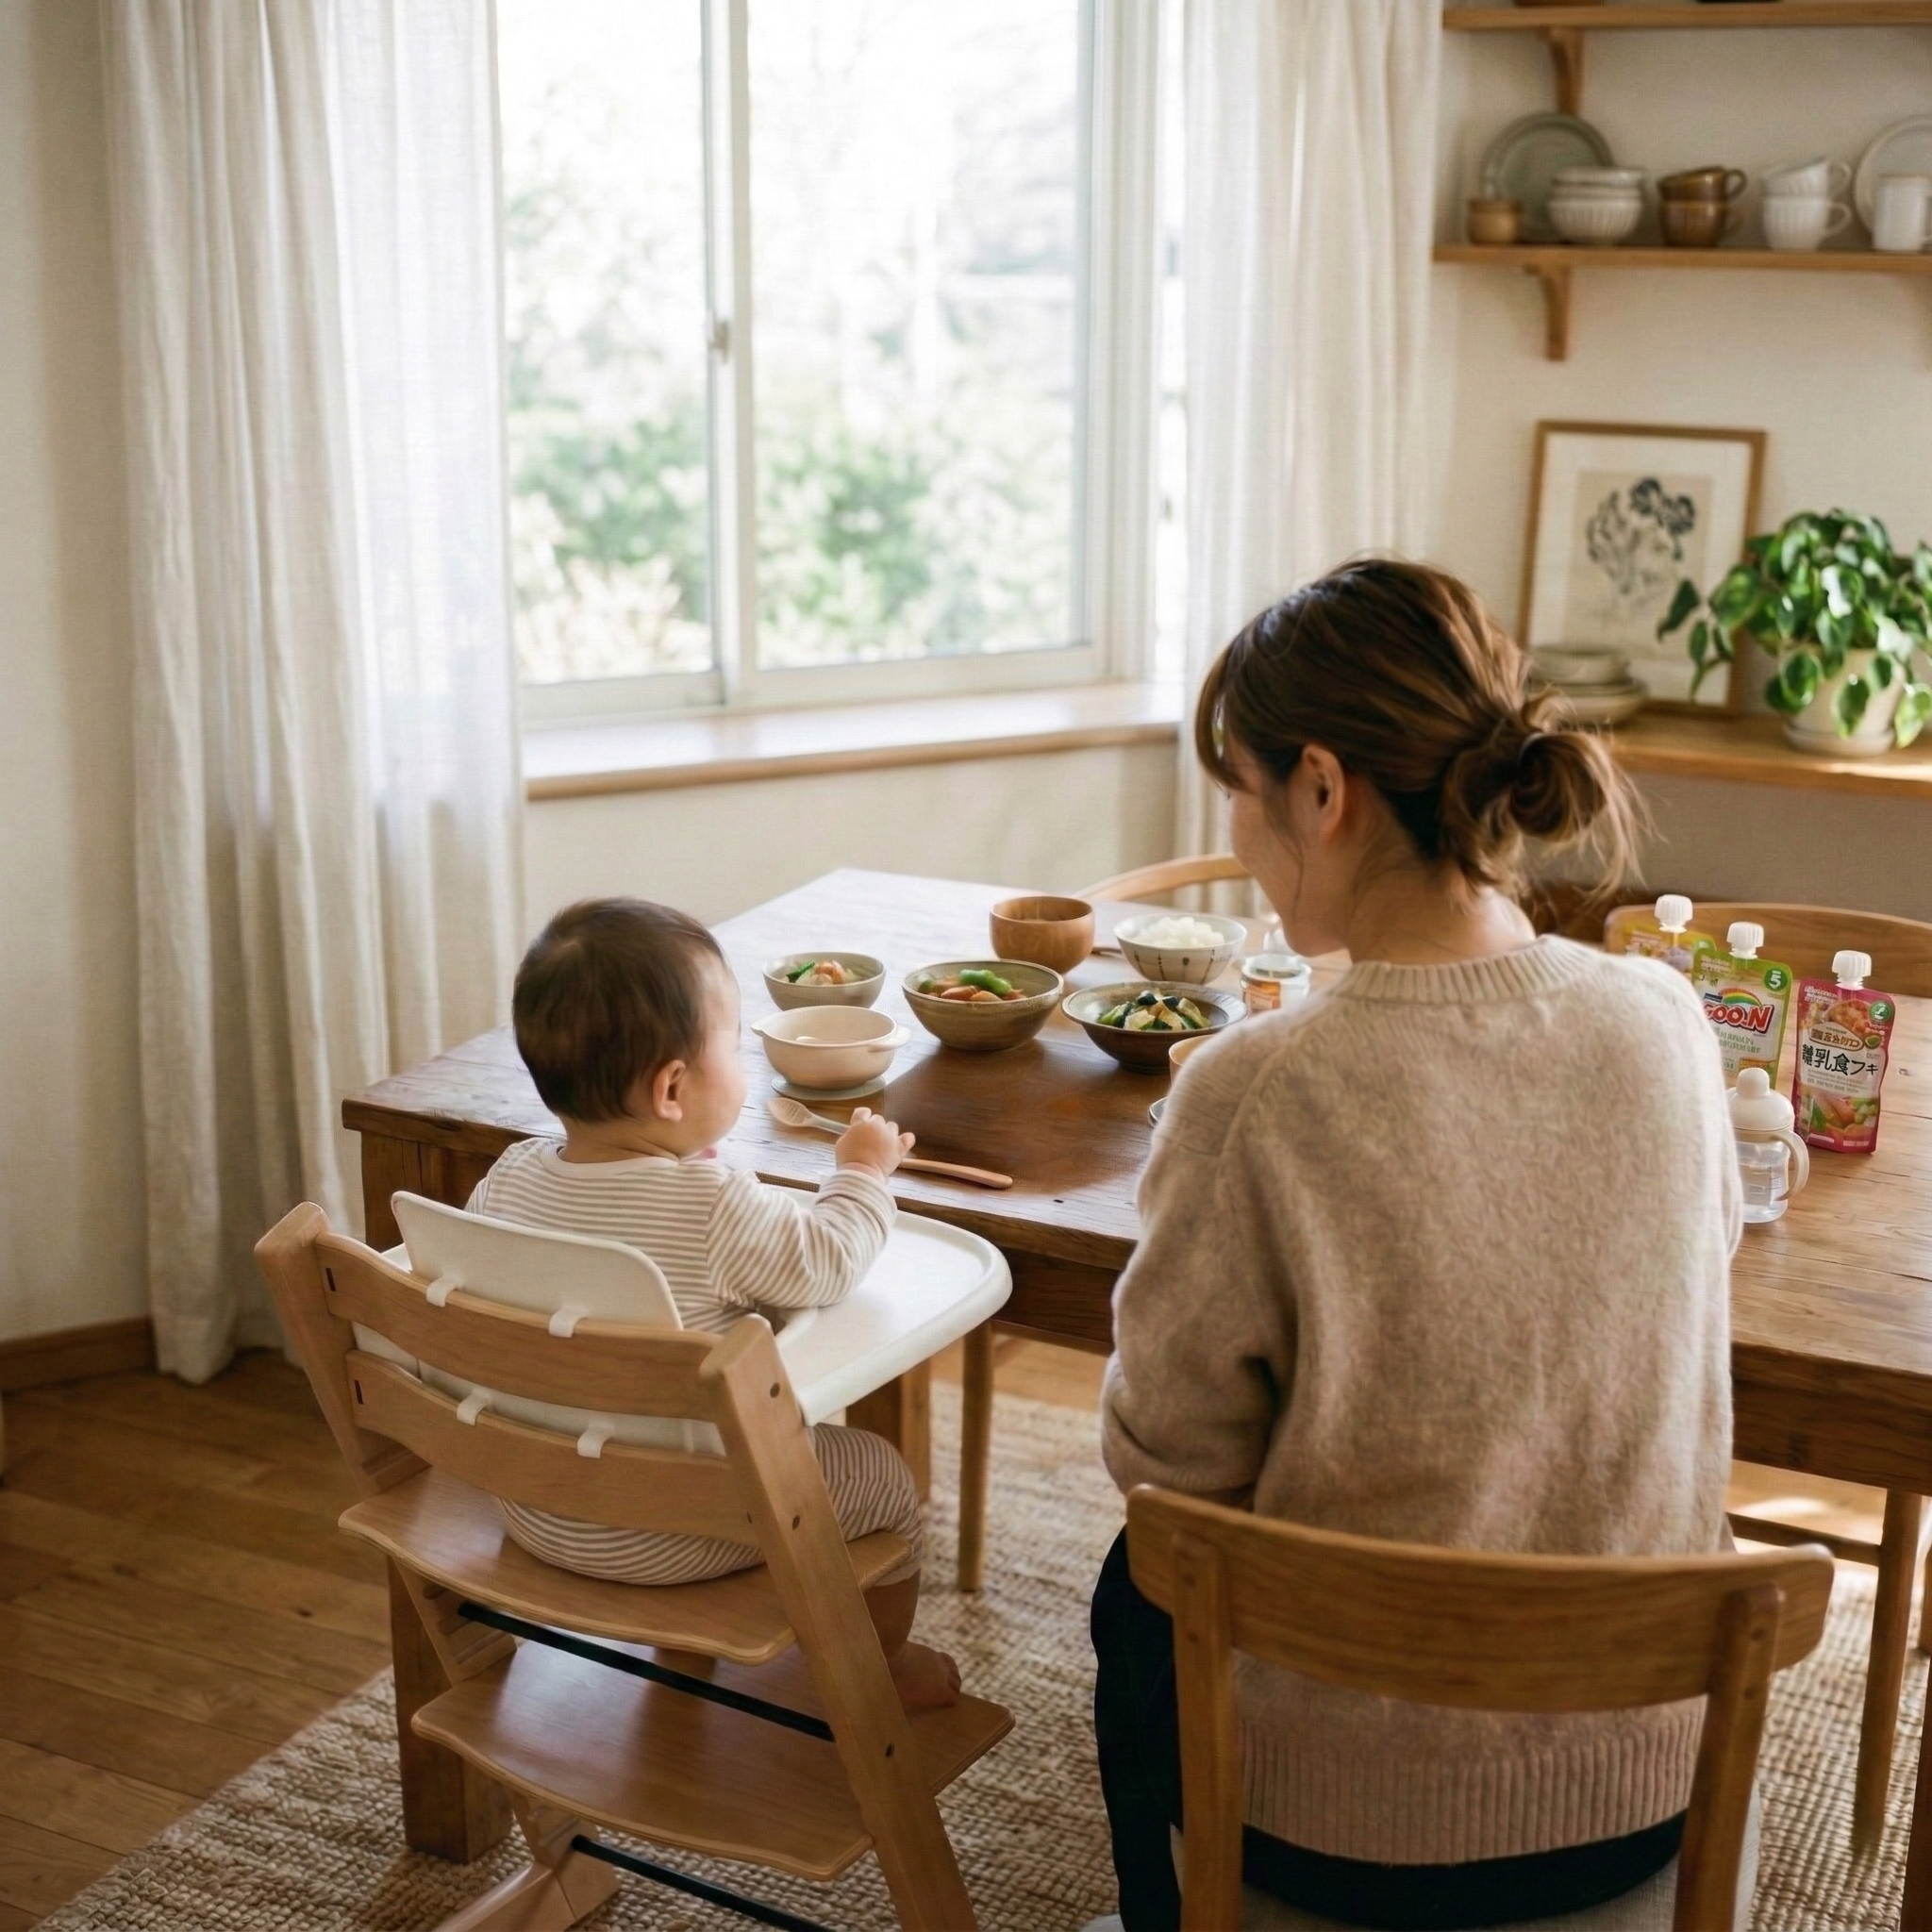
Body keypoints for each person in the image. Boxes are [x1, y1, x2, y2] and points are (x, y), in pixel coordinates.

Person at [1091, 559, 1739, 1930]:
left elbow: (1168, 1467)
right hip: (1633, 1799)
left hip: (1335, 1828)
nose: (1241, 832)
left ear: (1321, 790)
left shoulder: (1252, 1087)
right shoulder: (1668, 1026)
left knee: (1129, 1587)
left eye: (1242, 790)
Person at [470, 896, 959, 1710]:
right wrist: (863, 1174)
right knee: (880, 1475)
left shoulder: (509, 1178)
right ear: (672, 1089)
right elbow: (827, 1262)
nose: (741, 1062)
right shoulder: (713, 1205)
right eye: (731, 1045)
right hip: (682, 1532)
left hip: (539, 1506)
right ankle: (888, 1668)